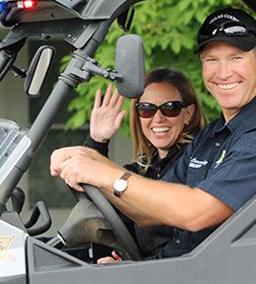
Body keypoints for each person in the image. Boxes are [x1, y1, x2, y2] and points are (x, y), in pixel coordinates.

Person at [51, 7, 256, 260]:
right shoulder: (217, 132)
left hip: (237, 281)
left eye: (236, 58)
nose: (223, 73)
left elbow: (196, 212)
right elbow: (150, 210)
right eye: (212, 60)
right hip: (192, 271)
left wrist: (102, 173)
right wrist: (90, 155)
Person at [82, 68, 206, 257]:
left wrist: (139, 266)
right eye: (147, 109)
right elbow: (93, 196)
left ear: (188, 114)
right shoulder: (144, 169)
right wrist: (97, 140)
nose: (158, 118)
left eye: (170, 108)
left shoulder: (197, 161)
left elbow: (188, 243)